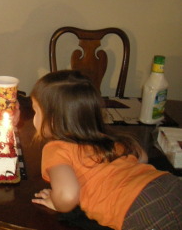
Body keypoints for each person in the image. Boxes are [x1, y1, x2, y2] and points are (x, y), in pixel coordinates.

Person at [30, 70, 182, 230]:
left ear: (53, 120)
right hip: (169, 184)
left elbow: (67, 195)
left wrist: (56, 202)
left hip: (139, 208)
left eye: (35, 111)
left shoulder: (55, 148)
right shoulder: (108, 138)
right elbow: (142, 156)